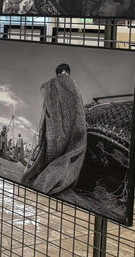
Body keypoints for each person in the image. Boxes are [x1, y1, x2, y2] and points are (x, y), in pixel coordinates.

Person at [21, 64, 87, 196]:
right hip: (76, 131)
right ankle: (61, 180)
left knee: (52, 156)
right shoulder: (74, 87)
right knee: (69, 156)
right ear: (68, 72)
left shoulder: (53, 83)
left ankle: (47, 178)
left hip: (56, 132)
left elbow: (49, 109)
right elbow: (78, 111)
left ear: (58, 73)